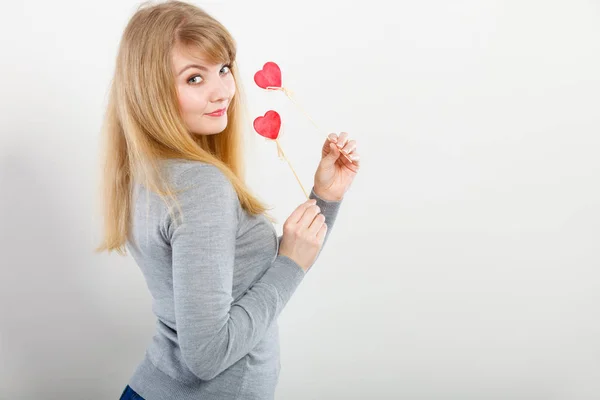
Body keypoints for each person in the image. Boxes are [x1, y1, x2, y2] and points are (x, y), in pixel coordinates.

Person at [95, 1, 361, 399]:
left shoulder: (147, 170)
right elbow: (207, 354)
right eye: (194, 78)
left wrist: (325, 197)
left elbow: (242, 287)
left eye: (223, 68)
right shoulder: (200, 185)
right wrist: (290, 263)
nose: (223, 91)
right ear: (151, 90)